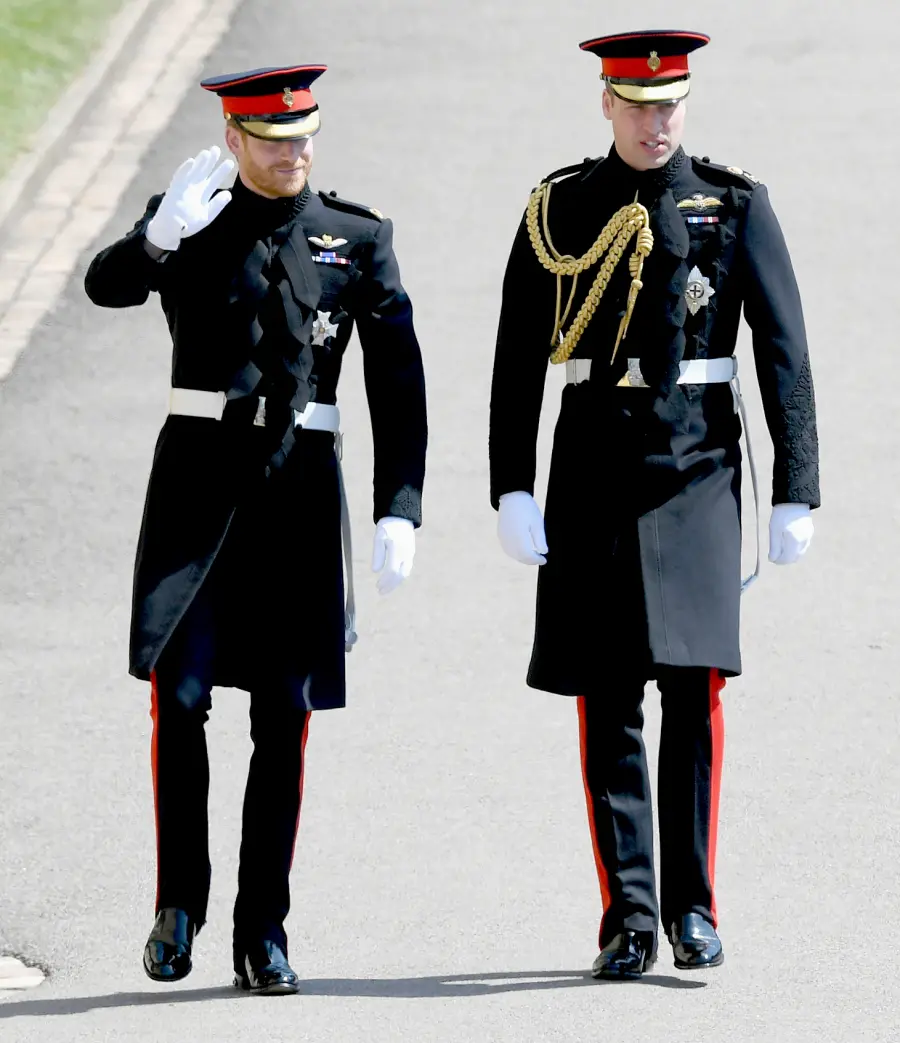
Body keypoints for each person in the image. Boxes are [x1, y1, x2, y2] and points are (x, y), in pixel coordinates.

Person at [84, 64, 427, 994]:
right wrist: (156, 242)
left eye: (304, 137)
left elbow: (397, 381)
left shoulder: (357, 235)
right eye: (274, 141)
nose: (294, 154)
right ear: (234, 138)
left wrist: (401, 503)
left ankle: (262, 927)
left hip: (300, 494)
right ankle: (178, 903)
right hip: (199, 489)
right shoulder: (190, 214)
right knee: (180, 696)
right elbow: (103, 288)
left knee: (285, 712)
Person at [488, 30, 819, 979]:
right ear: (606, 104)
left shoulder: (734, 202)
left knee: (694, 683)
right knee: (609, 690)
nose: (656, 121)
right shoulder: (563, 207)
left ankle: (694, 908)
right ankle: (627, 913)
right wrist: (511, 480)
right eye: (638, 105)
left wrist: (800, 484)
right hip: (594, 451)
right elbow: (518, 350)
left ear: (687, 103)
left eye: (670, 103)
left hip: (699, 454)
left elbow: (783, 349)